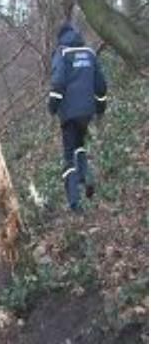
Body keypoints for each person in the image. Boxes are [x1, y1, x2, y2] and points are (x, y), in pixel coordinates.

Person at [48, 22, 107, 213]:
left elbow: (58, 84)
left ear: (61, 37)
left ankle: (75, 203)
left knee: (67, 158)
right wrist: (100, 107)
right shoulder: (89, 53)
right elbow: (101, 85)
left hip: (69, 114)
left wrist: (52, 107)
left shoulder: (62, 53)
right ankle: (86, 176)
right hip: (86, 112)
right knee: (79, 145)